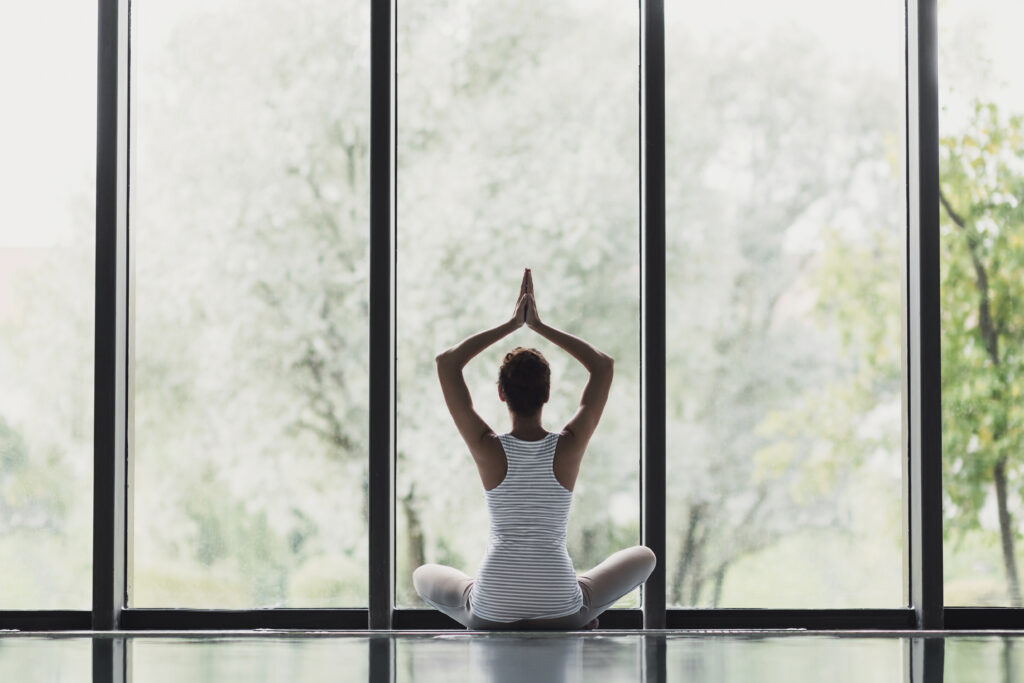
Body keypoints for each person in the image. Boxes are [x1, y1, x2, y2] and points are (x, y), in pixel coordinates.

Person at [413, 268, 655, 630]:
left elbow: (446, 363)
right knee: (645, 556)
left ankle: (479, 610)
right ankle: (578, 611)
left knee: (423, 575)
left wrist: (512, 325)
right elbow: (602, 366)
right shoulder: (569, 446)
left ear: (500, 394)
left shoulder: (487, 449)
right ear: (547, 394)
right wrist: (540, 326)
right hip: (560, 605)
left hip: (492, 607)